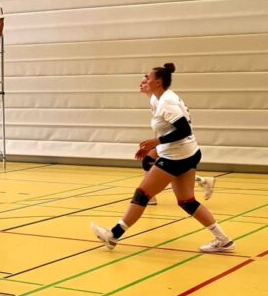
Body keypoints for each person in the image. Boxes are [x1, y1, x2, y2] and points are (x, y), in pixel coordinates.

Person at [91, 63, 234, 254]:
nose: (144, 80)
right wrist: (156, 147)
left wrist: (155, 142)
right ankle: (223, 240)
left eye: (147, 77)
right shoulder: (157, 99)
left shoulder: (167, 102)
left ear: (158, 82)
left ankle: (113, 236)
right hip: (188, 152)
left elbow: (184, 130)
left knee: (142, 195)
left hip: (177, 156)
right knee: (187, 201)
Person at [136, 75, 215, 206]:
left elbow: (179, 126)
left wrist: (157, 142)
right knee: (148, 162)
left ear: (156, 84)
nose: (141, 84)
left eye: (145, 82)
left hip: (177, 142)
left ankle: (150, 196)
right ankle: (202, 180)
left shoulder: (162, 100)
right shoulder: (155, 99)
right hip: (170, 141)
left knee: (152, 163)